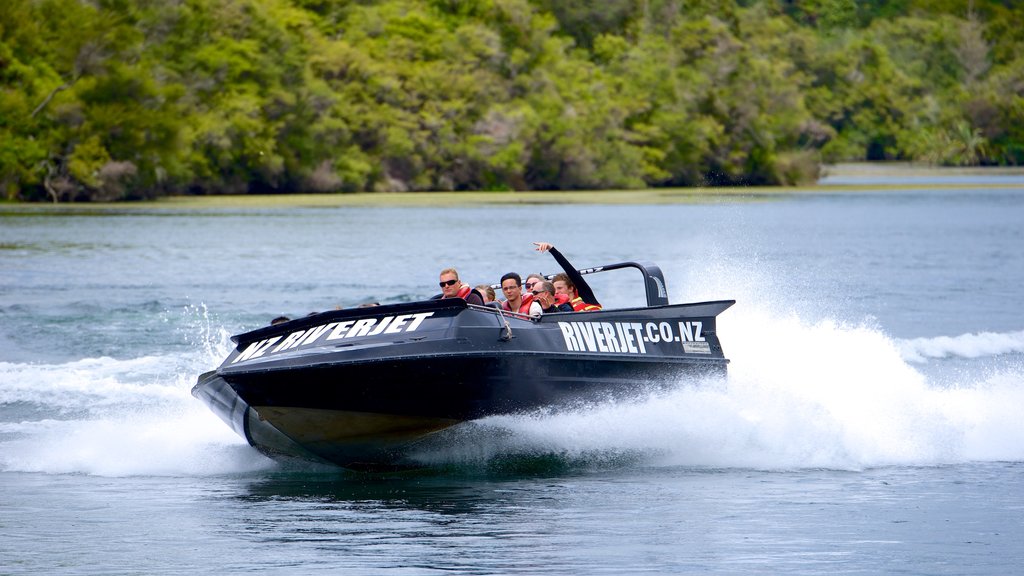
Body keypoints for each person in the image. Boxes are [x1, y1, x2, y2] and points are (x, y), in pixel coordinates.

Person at [533, 242, 602, 311]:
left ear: (570, 288)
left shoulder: (586, 297)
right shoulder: (554, 306)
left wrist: (551, 249)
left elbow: (570, 270)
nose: (556, 292)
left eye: (559, 288)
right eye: (554, 289)